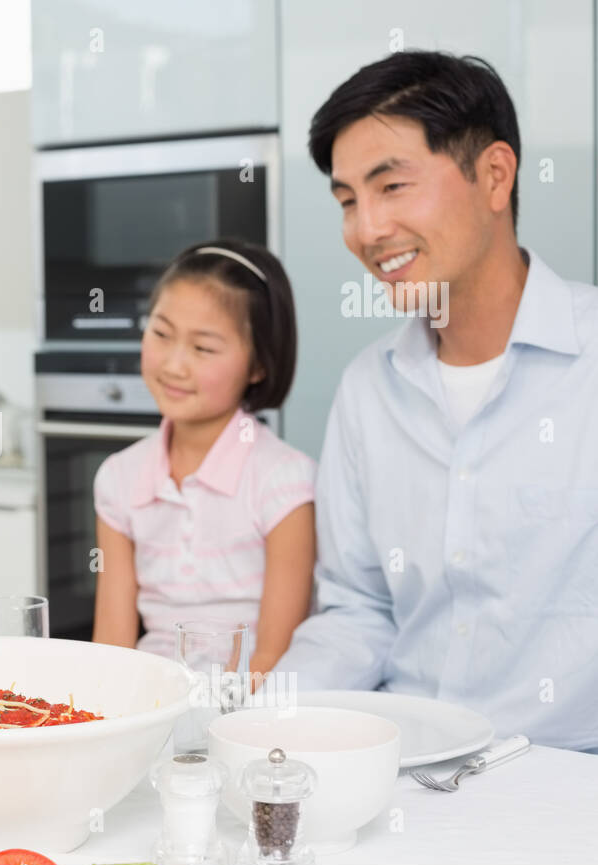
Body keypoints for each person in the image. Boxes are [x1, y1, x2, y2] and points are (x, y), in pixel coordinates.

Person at [274, 51, 598, 752]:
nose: (366, 230)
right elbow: (358, 611)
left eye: (392, 186)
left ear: (495, 176)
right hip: (404, 770)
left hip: (566, 789)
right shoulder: (369, 388)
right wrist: (265, 720)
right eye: (348, 201)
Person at [91, 239, 315, 677]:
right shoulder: (119, 478)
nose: (174, 365)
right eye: (160, 334)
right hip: (152, 705)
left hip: (247, 713)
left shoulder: (285, 481)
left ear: (258, 366)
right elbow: (112, 647)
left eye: (204, 348)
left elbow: (273, 658)